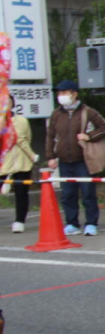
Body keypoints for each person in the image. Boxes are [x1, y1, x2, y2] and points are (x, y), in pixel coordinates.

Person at [46, 80, 105, 237]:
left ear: (74, 94)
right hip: (64, 161)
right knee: (68, 194)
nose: (61, 96)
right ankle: (72, 223)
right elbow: (50, 136)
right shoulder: (56, 114)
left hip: (83, 160)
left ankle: (91, 223)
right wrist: (51, 157)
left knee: (88, 192)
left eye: (64, 92)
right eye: (59, 93)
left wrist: (89, 136)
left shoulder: (87, 112)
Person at [1, 94, 35, 233]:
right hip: (3, 162)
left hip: (22, 161)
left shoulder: (22, 120)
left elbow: (27, 138)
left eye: (7, 102)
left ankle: (19, 221)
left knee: (21, 193)